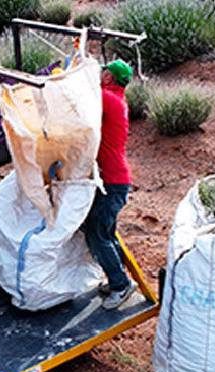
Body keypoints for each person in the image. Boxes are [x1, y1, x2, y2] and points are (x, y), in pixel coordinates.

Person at [84, 59, 137, 311]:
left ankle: (120, 284)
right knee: (105, 232)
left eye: (103, 71)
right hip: (115, 179)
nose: (100, 73)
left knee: (96, 233)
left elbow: (79, 97)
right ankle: (120, 279)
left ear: (108, 78)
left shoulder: (106, 98)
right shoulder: (116, 98)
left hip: (112, 181)